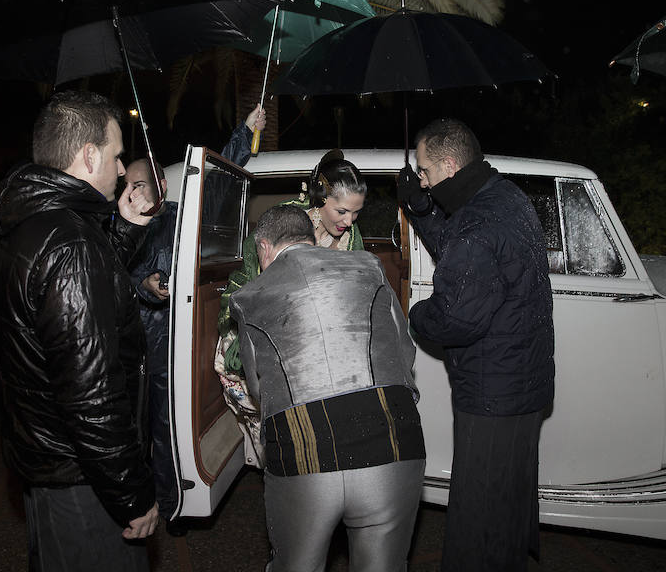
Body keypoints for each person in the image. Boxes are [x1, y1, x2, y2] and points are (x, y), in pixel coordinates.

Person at [0, 90, 158, 571]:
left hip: (51, 463)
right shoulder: (71, 243)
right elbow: (91, 394)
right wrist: (132, 492)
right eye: (117, 155)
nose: (124, 170)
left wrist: (122, 230)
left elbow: (80, 302)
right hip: (84, 477)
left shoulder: (34, 224)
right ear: (88, 155)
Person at [228, 204, 425, 572]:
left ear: (264, 249)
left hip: (306, 449)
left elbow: (257, 385)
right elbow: (404, 350)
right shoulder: (368, 265)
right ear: (309, 235)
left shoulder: (249, 297)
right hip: (393, 437)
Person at [398, 118, 555, 571]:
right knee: (505, 507)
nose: (421, 177)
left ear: (449, 164)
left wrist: (414, 313)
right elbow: (460, 248)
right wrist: (421, 208)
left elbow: (453, 319)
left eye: (424, 170)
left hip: (491, 396)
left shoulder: (475, 227)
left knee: (479, 519)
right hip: (524, 386)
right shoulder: (504, 198)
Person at [123, 103, 265, 532]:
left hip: (170, 347)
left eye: (140, 186)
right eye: (125, 187)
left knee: (167, 429)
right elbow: (111, 277)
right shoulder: (118, 226)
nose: (132, 195)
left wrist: (245, 130)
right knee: (130, 432)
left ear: (161, 186)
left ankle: (170, 505)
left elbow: (217, 183)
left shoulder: (180, 220)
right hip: (130, 348)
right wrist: (140, 284)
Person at [215, 150, 367, 460]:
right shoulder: (282, 225)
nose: (349, 222)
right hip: (266, 332)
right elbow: (245, 292)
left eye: (356, 213)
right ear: (320, 197)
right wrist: (241, 352)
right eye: (341, 211)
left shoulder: (352, 239)